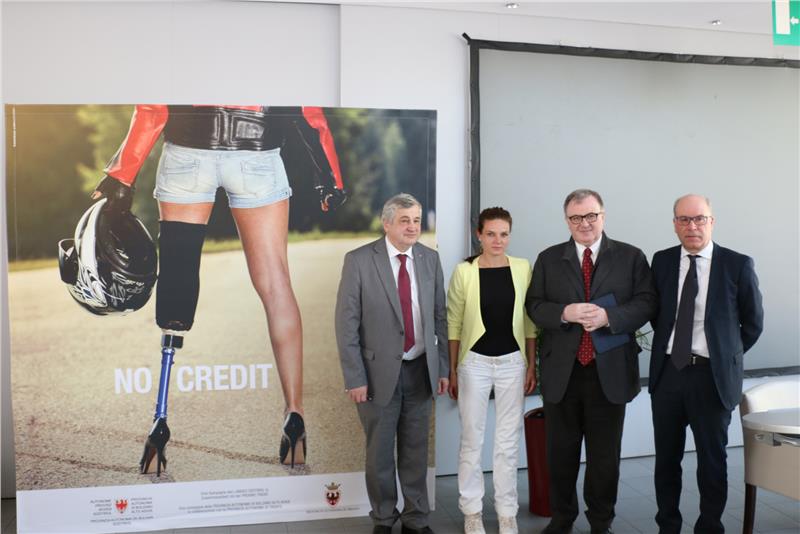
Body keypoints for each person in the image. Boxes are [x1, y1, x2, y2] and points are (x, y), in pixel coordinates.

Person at [92, 105, 346, 475]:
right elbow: (309, 113)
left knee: (177, 277)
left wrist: (122, 174)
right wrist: (331, 178)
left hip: (188, 153)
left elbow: (153, 109)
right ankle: (295, 416)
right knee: (276, 284)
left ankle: (159, 424)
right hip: (256, 154)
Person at [525, 189, 656, 534]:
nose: (584, 223)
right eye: (575, 217)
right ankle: (562, 518)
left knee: (604, 457)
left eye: (590, 215)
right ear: (566, 220)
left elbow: (647, 302)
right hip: (562, 373)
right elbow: (534, 305)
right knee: (560, 454)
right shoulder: (549, 258)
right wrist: (564, 313)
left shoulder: (630, 256)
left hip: (608, 373)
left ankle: (601, 522)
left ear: (603, 215)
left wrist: (610, 317)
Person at [649, 194, 763, 534]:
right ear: (675, 224)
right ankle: (668, 526)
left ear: (712, 222)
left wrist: (725, 356)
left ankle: (710, 526)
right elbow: (659, 316)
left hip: (712, 378)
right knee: (666, 460)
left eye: (699, 219)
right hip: (669, 373)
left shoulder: (737, 264)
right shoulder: (662, 261)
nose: (692, 226)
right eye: (684, 219)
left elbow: (753, 323)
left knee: (712, 461)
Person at [335, 193, 448, 534]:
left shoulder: (430, 259)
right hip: (376, 375)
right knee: (380, 453)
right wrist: (355, 377)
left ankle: (416, 518)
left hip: (420, 370)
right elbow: (346, 325)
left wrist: (442, 368)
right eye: (404, 221)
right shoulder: (358, 260)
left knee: (416, 451)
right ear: (387, 224)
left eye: (416, 220)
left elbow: (439, 318)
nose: (413, 227)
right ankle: (384, 517)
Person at [446, 207, 537, 534]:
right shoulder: (464, 272)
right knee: (472, 439)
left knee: (508, 443)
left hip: (513, 363)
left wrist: (531, 363)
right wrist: (453, 369)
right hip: (474, 364)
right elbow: (454, 322)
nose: (498, 240)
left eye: (504, 234)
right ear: (479, 235)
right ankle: (471, 512)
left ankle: (506, 513)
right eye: (491, 234)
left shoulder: (522, 268)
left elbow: (529, 321)